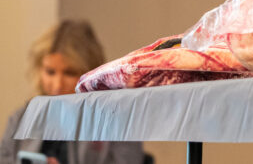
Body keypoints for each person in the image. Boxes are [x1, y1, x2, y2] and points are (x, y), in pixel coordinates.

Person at [1, 21, 145, 164]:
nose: (58, 85)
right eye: (50, 72)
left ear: (91, 73)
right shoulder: (21, 119)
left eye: (69, 73)